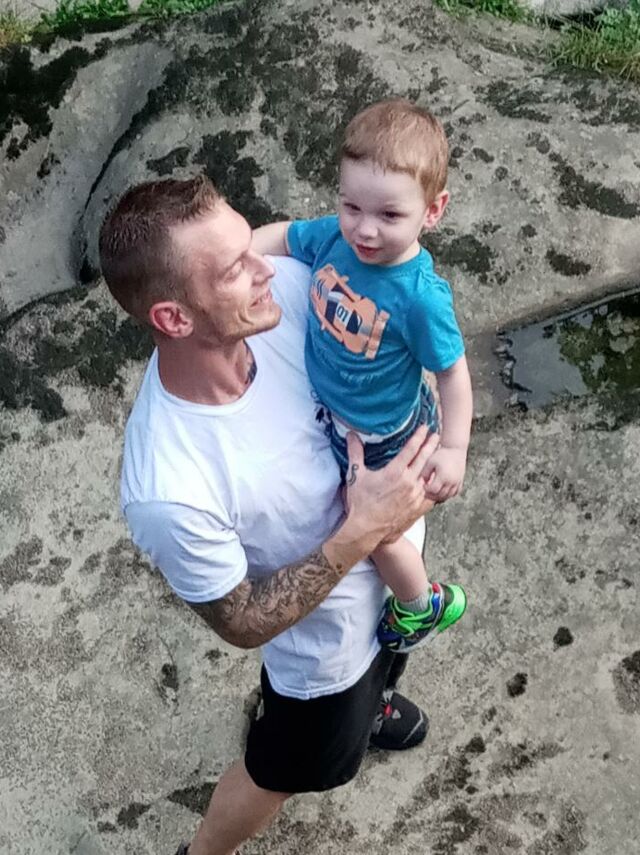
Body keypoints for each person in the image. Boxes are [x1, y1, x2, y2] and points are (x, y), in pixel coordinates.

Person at [99, 174, 442, 855]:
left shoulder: (293, 291)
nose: (266, 266)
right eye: (234, 268)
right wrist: (366, 528)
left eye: (249, 243)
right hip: (326, 661)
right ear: (174, 318)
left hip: (396, 578)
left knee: (398, 643)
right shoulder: (171, 485)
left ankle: (377, 702)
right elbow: (243, 620)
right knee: (283, 770)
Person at [252, 98, 473, 653]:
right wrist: (238, 259)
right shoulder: (335, 237)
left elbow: (453, 374)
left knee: (375, 531)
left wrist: (454, 450)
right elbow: (286, 236)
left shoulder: (419, 298)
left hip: (382, 437)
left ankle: (420, 605)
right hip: (340, 413)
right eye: (352, 206)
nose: (365, 230)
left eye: (389, 216)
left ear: (433, 210)